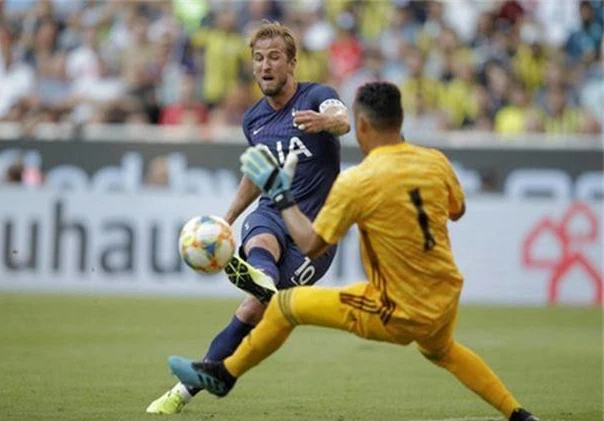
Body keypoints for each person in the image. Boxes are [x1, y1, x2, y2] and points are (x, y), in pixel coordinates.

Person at [167, 81, 540, 421]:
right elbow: (457, 210)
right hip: (444, 295)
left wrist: (281, 197)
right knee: (444, 352)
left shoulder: (358, 182)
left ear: (362, 126)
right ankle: (519, 415)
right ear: (400, 119)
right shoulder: (435, 162)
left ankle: (224, 376)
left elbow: (312, 244)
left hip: (395, 307)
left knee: (284, 306)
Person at [146, 20, 350, 414]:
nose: (265, 65)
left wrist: (326, 123)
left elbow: (342, 118)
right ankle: (262, 279)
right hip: (273, 210)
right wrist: (226, 219)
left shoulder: (316, 96)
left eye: (274, 57)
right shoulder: (253, 121)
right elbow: (255, 176)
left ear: (291, 63)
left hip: (316, 234)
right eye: (258, 58)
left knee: (250, 310)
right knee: (260, 240)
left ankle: (187, 388)